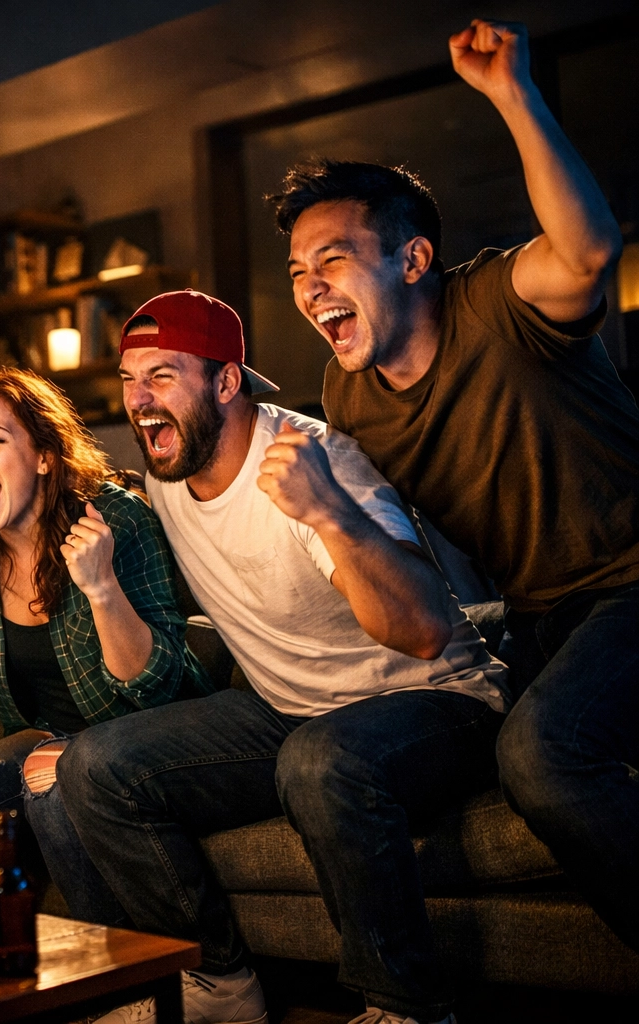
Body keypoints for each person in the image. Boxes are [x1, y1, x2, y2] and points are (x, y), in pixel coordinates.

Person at [272, 19, 638, 961]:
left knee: (543, 755)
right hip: (536, 623)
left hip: (632, 584)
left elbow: (590, 251)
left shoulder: (499, 302)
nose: (312, 290)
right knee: (379, 758)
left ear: (412, 260)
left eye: (334, 261)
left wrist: (513, 92)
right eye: (298, 274)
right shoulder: (347, 395)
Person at [60, 290, 509, 1024]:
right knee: (97, 766)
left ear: (226, 381)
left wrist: (326, 511)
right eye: (129, 379)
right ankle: (217, 985)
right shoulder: (165, 480)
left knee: (321, 759)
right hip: (289, 711)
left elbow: (427, 630)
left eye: (163, 376)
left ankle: (409, 1008)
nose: (138, 400)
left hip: (439, 705)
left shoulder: (312, 461)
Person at [0, 367, 210, 923]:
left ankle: (112, 981)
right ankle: (1, 975)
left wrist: (101, 588)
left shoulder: (115, 518)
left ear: (45, 455)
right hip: (44, 737)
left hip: (146, 735)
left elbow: (154, 686)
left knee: (49, 779)